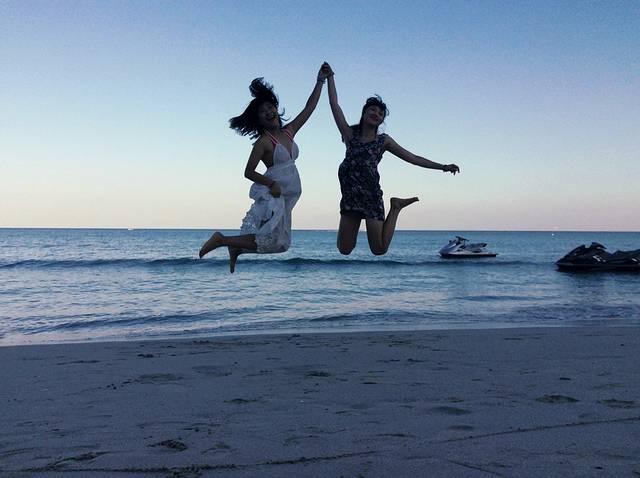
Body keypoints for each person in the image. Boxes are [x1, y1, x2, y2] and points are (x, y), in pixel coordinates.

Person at [199, 65, 330, 272]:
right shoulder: (263, 142)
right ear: (258, 120)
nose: (268, 112)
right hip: (274, 194)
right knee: (271, 238)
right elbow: (248, 172)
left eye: (270, 107)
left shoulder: (289, 132)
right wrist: (271, 184)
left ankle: (236, 247)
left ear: (276, 108)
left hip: (287, 196)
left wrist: (320, 81)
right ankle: (221, 239)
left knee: (281, 243)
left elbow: (310, 107)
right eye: (262, 112)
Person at [324, 63, 460, 255]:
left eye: (380, 114)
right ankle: (393, 207)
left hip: (371, 197)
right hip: (350, 197)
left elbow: (413, 158)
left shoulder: (383, 141)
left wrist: (443, 166)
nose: (376, 114)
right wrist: (329, 77)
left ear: (381, 121)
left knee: (379, 249)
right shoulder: (349, 135)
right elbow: (334, 105)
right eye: (372, 110)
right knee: (344, 249)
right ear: (364, 113)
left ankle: (395, 207)